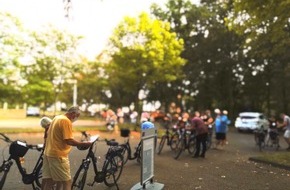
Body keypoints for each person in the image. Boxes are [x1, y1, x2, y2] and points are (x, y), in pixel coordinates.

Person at [41, 106, 92, 190]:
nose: (76, 118)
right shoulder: (65, 121)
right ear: (73, 114)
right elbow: (68, 140)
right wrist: (82, 144)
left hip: (48, 153)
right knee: (66, 182)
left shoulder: (57, 118)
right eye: (77, 116)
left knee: (49, 181)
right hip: (58, 155)